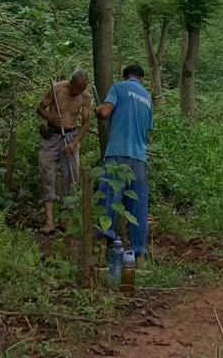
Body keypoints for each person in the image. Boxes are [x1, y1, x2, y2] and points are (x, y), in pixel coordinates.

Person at [96, 62, 153, 258]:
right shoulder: (147, 97)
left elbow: (104, 112)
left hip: (118, 154)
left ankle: (103, 247)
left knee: (110, 198)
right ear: (141, 79)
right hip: (139, 158)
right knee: (138, 206)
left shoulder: (118, 88)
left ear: (125, 76)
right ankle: (140, 253)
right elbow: (147, 130)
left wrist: (98, 110)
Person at [36, 68, 91, 234]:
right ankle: (49, 221)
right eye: (76, 89)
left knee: (71, 177)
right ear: (71, 83)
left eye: (82, 90)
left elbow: (85, 124)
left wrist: (74, 143)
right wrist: (51, 118)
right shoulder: (57, 89)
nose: (78, 93)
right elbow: (40, 108)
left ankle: (64, 217)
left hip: (71, 137)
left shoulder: (85, 97)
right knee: (47, 174)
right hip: (52, 136)